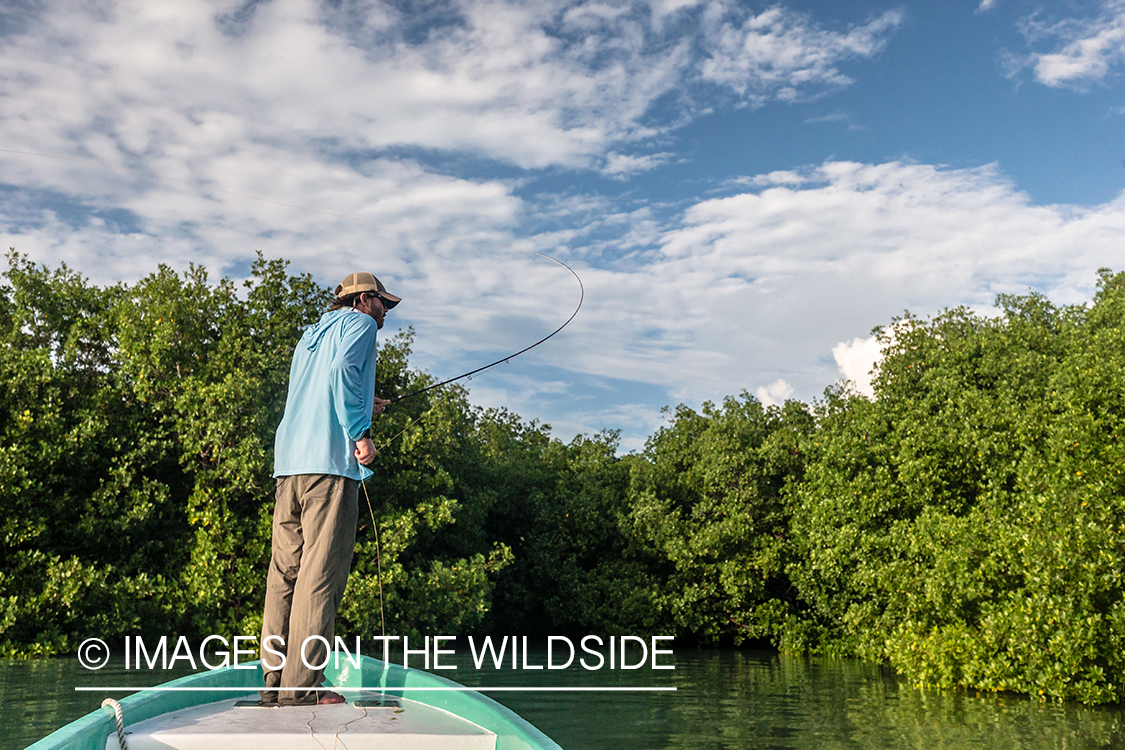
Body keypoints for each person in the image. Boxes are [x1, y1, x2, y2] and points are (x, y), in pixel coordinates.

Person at [258, 271, 400, 705]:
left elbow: (318, 386)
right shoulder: (359, 325)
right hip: (329, 466)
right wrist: (361, 432)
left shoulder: (311, 334)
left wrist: (365, 396)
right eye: (382, 304)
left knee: (284, 573)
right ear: (363, 300)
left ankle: (273, 685)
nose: (384, 314)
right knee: (320, 574)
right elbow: (342, 370)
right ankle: (302, 690)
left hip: (290, 465)